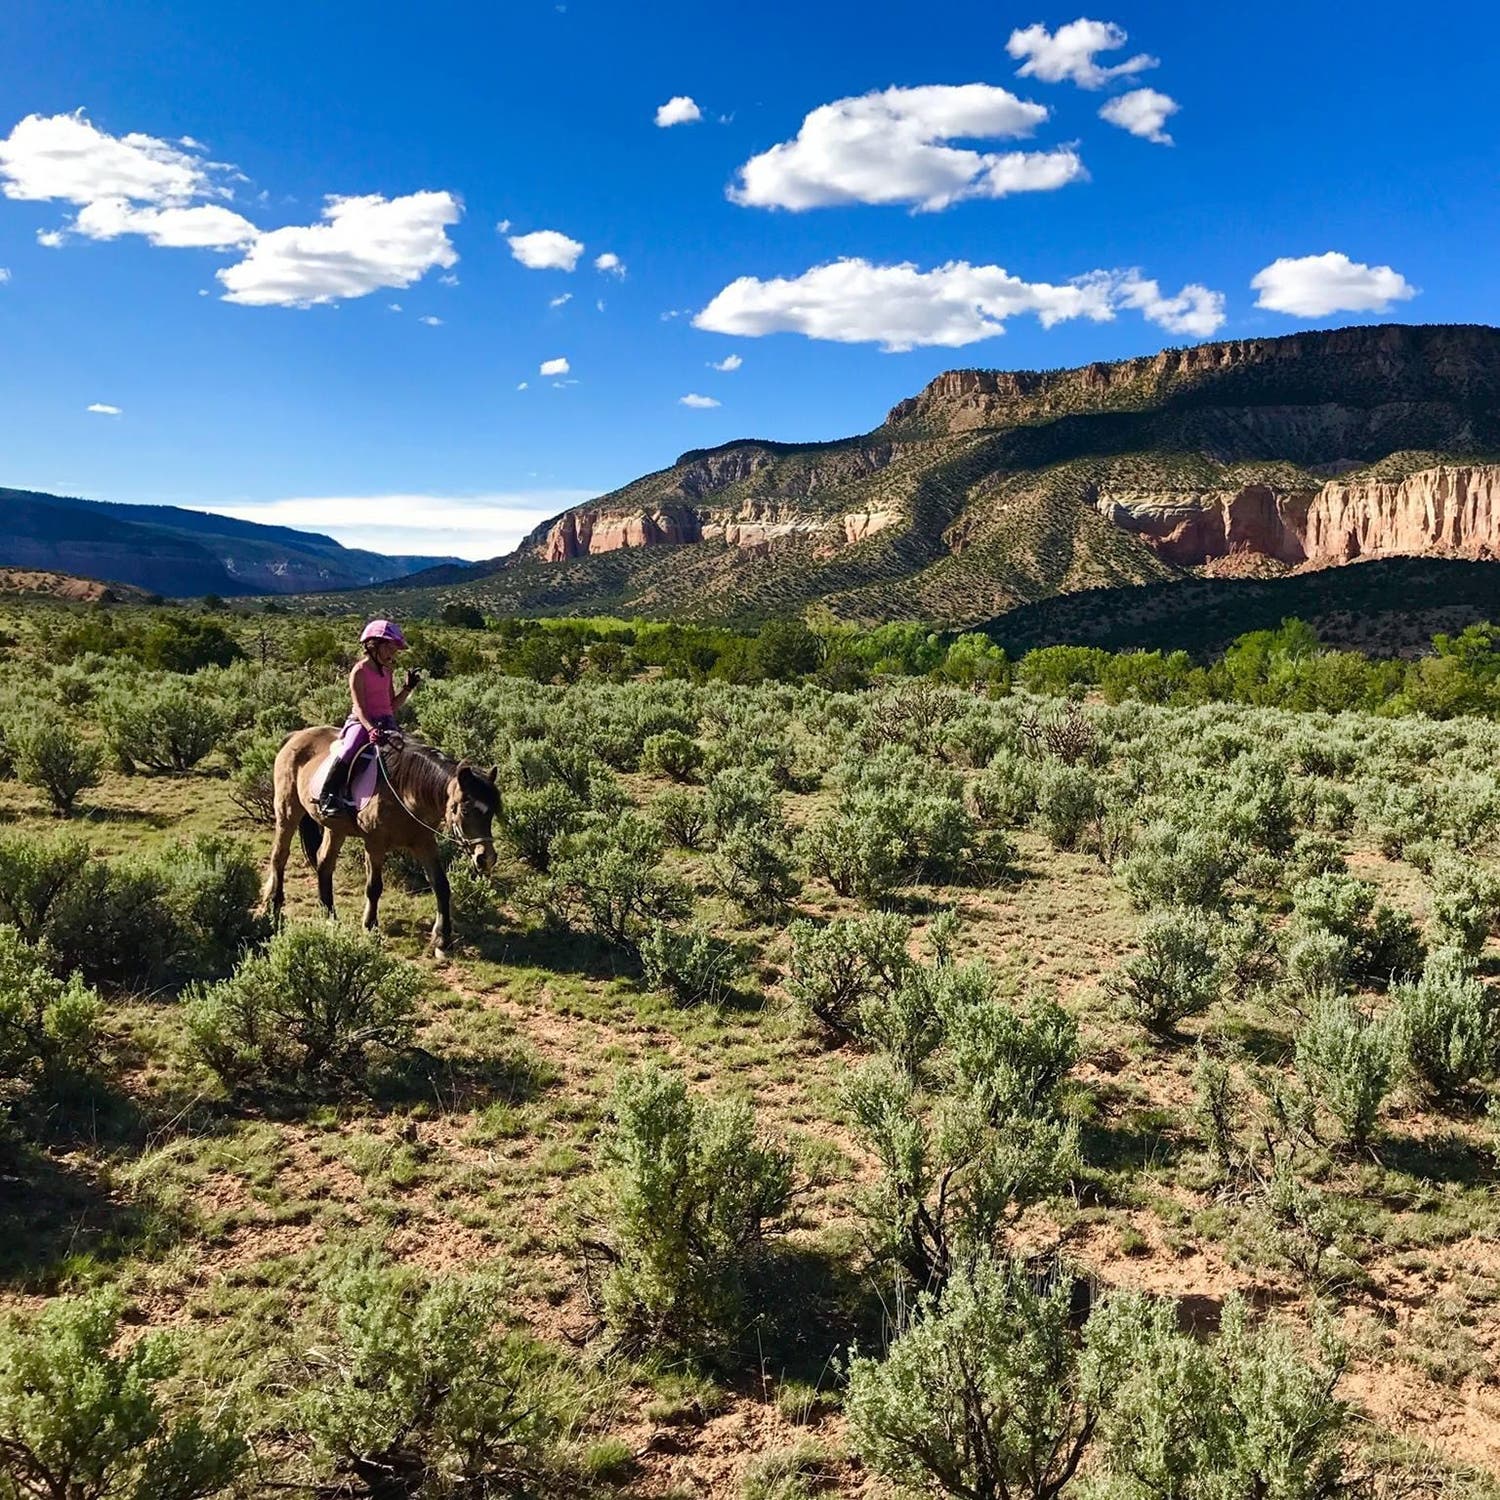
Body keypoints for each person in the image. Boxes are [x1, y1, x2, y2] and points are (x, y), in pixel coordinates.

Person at [316, 619, 423, 817]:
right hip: (362, 722)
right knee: (349, 749)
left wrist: (408, 688)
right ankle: (328, 795)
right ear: (374, 645)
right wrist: (370, 728)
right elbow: (359, 706)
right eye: (390, 647)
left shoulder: (388, 671)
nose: (393, 653)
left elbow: (390, 706)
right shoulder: (359, 671)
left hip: (387, 723)